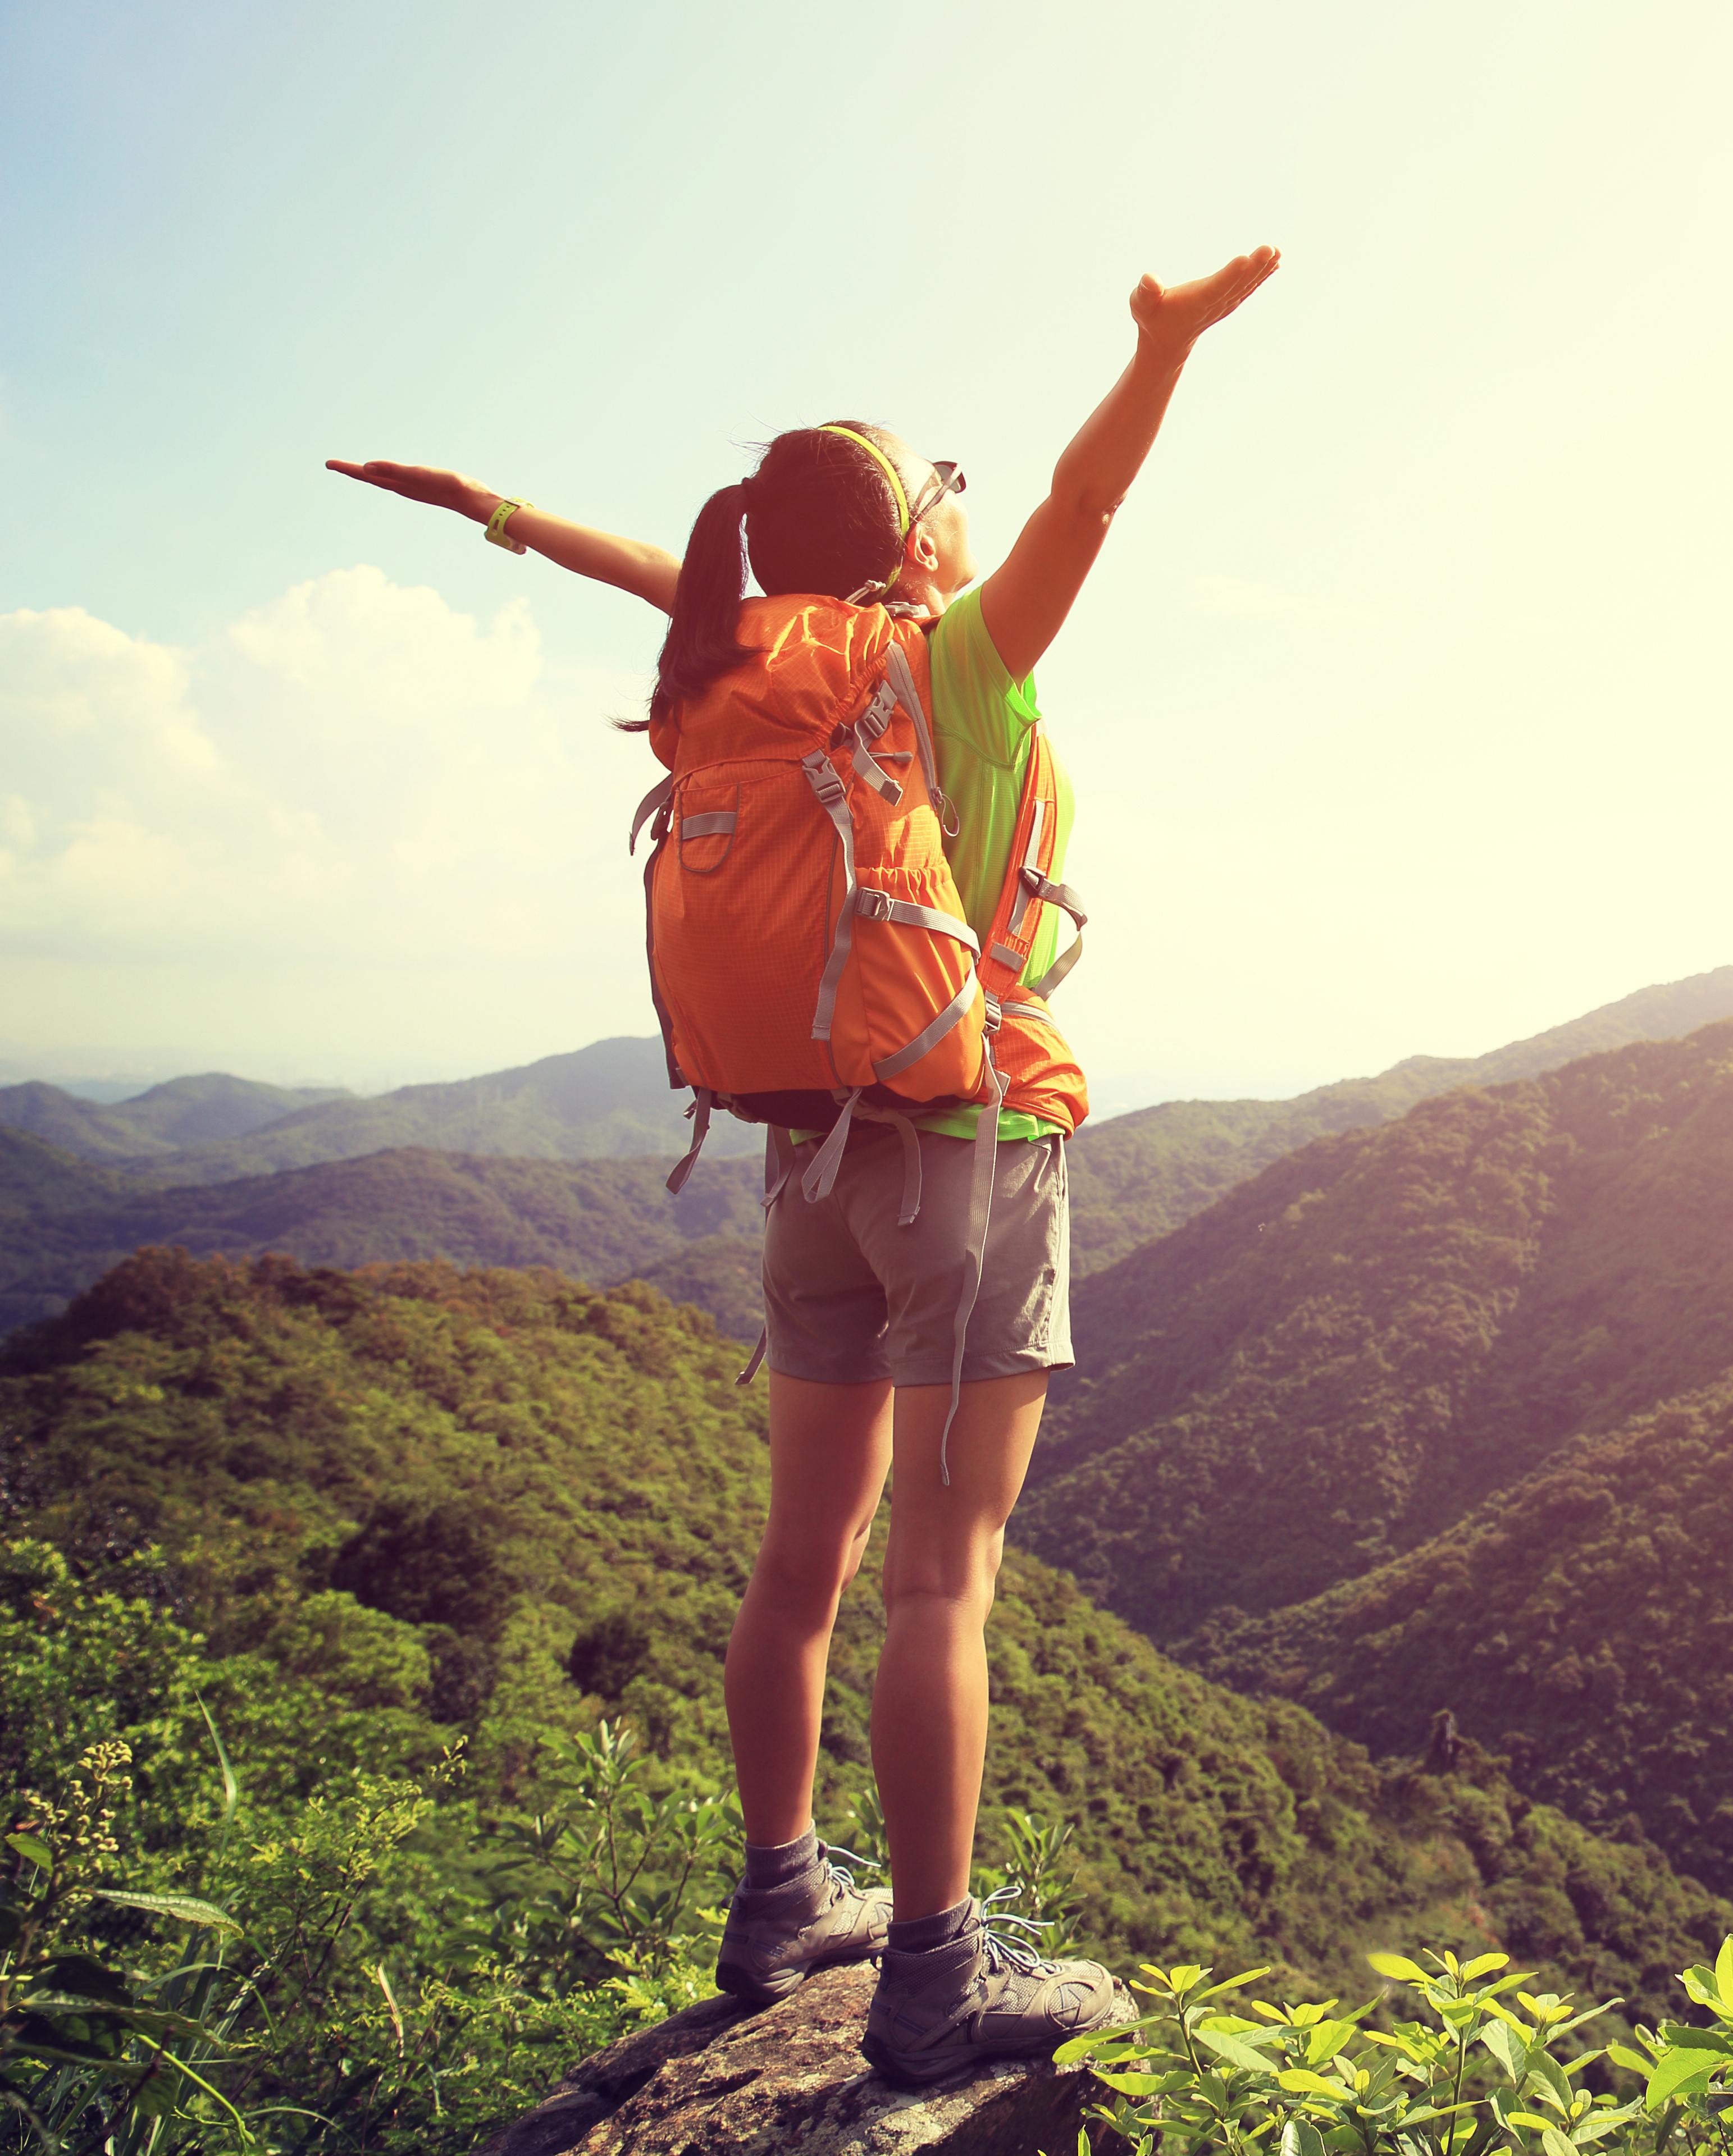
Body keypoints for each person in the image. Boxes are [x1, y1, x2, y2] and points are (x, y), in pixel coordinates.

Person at [329, 246, 1279, 2084]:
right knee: (949, 1581)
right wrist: (1160, 354)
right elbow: (1086, 500)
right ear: (914, 541)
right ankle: (932, 1974)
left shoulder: (729, 667)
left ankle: (782, 1897)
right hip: (964, 1151)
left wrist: (497, 514)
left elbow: (655, 573)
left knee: (800, 1566)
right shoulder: (952, 667)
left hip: (800, 1164)